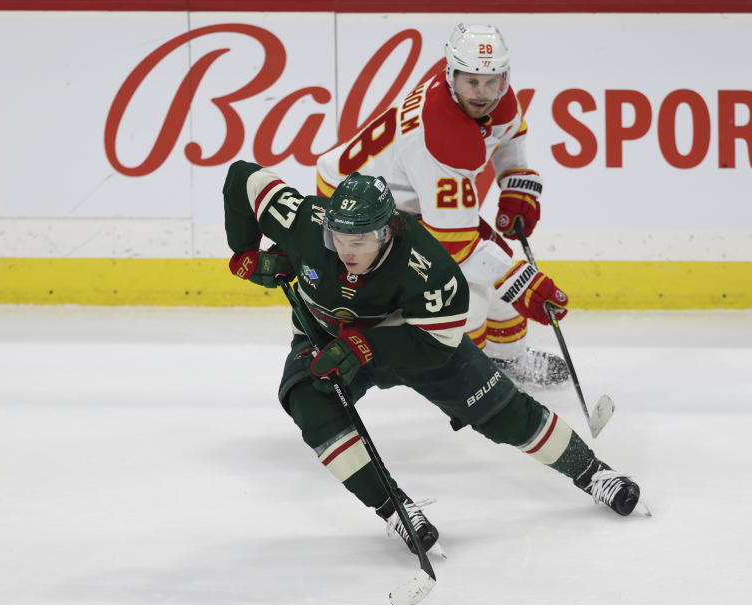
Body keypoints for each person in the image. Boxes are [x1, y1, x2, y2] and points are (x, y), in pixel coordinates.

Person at [224, 160, 643, 554]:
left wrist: (365, 346)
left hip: (414, 341)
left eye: (360, 241)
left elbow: (438, 343)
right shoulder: (304, 222)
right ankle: (395, 509)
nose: (346, 251)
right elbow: (243, 176)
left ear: (387, 231)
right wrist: (245, 249)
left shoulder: (429, 267)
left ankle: (594, 473)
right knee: (307, 399)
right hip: (327, 335)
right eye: (337, 238)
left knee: (500, 411)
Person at [316, 23, 569, 388]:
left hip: (396, 198)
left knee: (496, 276)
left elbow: (510, 133)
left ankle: (509, 362)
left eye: (492, 81)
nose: (483, 93)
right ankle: (470, 379)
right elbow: (455, 246)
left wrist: (515, 182)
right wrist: (522, 281)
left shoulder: (485, 95)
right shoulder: (443, 139)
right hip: (355, 214)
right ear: (451, 74)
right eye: (471, 82)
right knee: (472, 299)